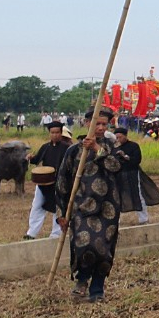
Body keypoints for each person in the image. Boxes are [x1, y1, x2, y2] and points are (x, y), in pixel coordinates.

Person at [55, 109, 123, 303]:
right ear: (87, 123)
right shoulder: (74, 150)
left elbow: (116, 166)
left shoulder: (113, 146)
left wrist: (96, 149)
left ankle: (97, 289)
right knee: (84, 245)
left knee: (103, 249)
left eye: (105, 124)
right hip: (81, 206)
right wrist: (61, 212)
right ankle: (82, 279)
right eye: (97, 124)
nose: (101, 128)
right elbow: (62, 182)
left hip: (108, 207)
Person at [25, 121, 70, 239]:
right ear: (49, 133)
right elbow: (36, 159)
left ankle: (56, 234)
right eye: (52, 132)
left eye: (57, 132)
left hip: (59, 183)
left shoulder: (67, 148)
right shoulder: (45, 147)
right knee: (37, 206)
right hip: (44, 183)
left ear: (61, 133)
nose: (55, 135)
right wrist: (30, 158)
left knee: (58, 208)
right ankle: (31, 233)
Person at [113, 127, 148, 224]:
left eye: (120, 137)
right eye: (116, 138)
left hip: (132, 172)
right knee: (117, 196)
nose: (118, 140)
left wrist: (125, 156)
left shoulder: (133, 146)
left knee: (138, 194)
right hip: (119, 174)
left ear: (125, 136)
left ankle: (143, 218)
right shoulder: (114, 148)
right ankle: (116, 220)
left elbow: (137, 160)